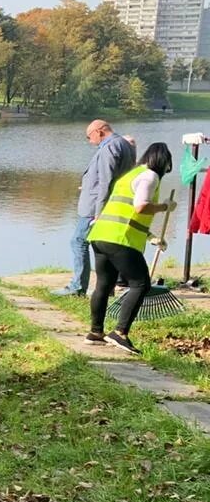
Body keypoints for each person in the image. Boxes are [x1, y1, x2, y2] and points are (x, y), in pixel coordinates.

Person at [85, 143, 176, 355]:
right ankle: (120, 333)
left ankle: (95, 332)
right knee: (141, 284)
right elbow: (140, 206)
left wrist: (152, 237)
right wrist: (165, 207)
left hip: (101, 235)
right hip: (120, 239)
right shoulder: (150, 176)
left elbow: (125, 213)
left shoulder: (130, 175)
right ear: (162, 162)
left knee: (104, 284)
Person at [53, 119, 136, 297]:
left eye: (89, 136)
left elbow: (106, 181)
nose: (90, 141)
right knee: (104, 246)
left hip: (96, 208)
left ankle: (77, 287)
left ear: (99, 131)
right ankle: (108, 287)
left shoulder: (109, 147)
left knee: (78, 241)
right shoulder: (125, 144)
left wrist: (99, 212)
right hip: (114, 204)